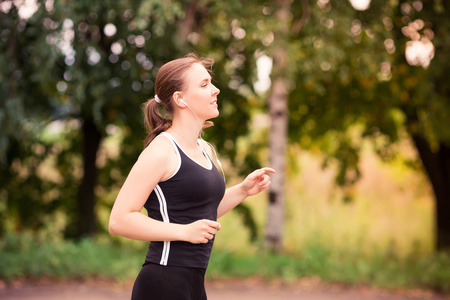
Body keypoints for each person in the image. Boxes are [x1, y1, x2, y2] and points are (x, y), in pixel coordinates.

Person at [109, 53, 275, 300]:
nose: (216, 90)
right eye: (204, 84)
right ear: (180, 99)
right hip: (163, 283)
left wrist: (242, 190)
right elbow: (119, 220)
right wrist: (184, 232)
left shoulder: (206, 149)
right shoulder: (161, 151)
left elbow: (200, 214)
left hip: (194, 285)